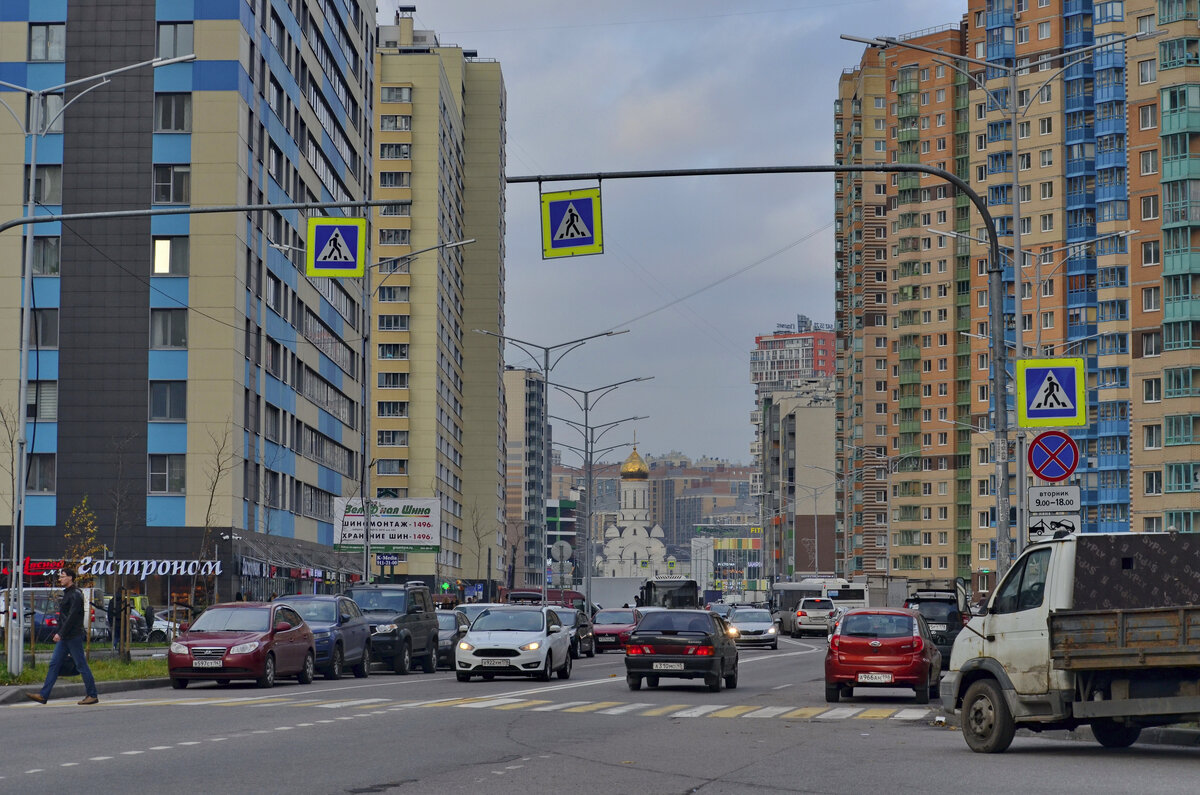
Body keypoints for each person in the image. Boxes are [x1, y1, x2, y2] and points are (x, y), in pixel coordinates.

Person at [27, 566, 100, 705]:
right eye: (60, 576)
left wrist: (60, 633)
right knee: (54, 664)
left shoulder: (76, 594)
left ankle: (92, 695)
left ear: (70, 578)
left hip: (73, 636)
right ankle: (43, 695)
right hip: (66, 636)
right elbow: (65, 617)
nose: (60, 578)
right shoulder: (67, 593)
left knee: (81, 665)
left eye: (63, 576)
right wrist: (59, 632)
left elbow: (72, 617)